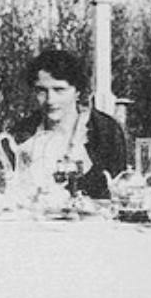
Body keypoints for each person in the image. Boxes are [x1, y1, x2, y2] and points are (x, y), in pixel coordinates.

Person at [9, 48, 127, 199]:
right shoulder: (22, 132)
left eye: (59, 90)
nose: (50, 100)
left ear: (77, 91)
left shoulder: (106, 131)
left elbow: (119, 191)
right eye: (41, 91)